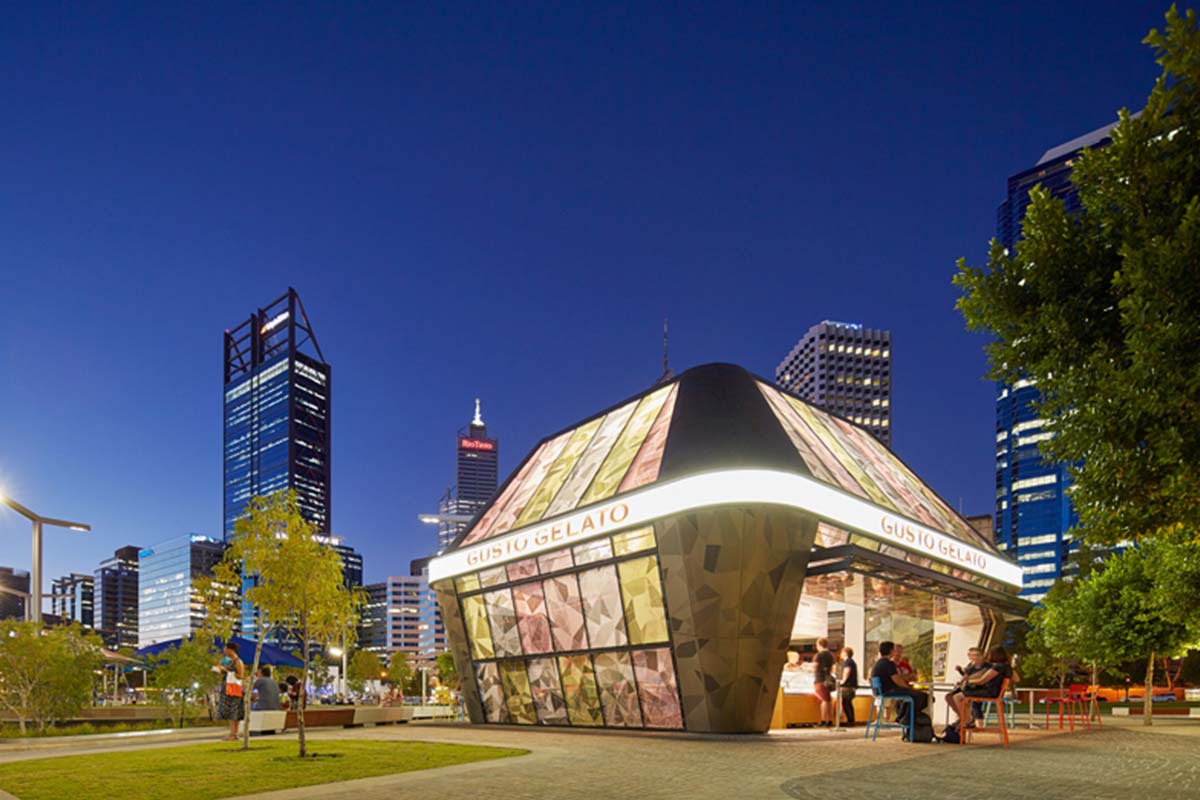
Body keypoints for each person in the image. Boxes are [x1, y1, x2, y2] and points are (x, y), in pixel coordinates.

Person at [946, 647, 1013, 728]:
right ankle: (965, 719)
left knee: (957, 697)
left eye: (976, 655)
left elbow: (982, 680)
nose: (988, 656)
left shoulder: (995, 667)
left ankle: (968, 721)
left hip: (989, 691)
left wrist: (968, 681)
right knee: (953, 697)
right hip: (985, 690)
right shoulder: (1004, 666)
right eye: (971, 655)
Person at [870, 641, 927, 729]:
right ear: (891, 651)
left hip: (881, 691)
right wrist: (908, 688)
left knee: (914, 696)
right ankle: (906, 719)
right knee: (921, 696)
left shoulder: (878, 663)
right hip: (888, 691)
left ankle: (901, 717)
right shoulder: (888, 663)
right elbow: (897, 680)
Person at [215, 642, 245, 741]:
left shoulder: (238, 661)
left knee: (234, 711)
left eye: (225, 649)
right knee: (228, 711)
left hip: (234, 689)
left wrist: (228, 672)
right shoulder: (227, 661)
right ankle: (233, 733)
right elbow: (224, 673)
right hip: (226, 689)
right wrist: (219, 668)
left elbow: (240, 676)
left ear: (230, 650)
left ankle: (234, 733)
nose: (224, 651)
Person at [813, 638, 837, 727]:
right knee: (828, 700)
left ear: (819, 645)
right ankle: (830, 720)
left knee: (824, 701)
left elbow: (815, 666)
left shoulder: (819, 655)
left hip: (820, 679)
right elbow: (833, 668)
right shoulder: (831, 655)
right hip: (828, 680)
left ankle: (823, 721)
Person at [839, 646, 859, 727]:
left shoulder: (848, 662)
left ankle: (850, 720)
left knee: (846, 702)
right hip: (851, 685)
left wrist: (843, 682)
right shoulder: (852, 662)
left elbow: (847, 671)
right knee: (848, 703)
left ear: (845, 653)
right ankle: (851, 720)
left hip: (848, 686)